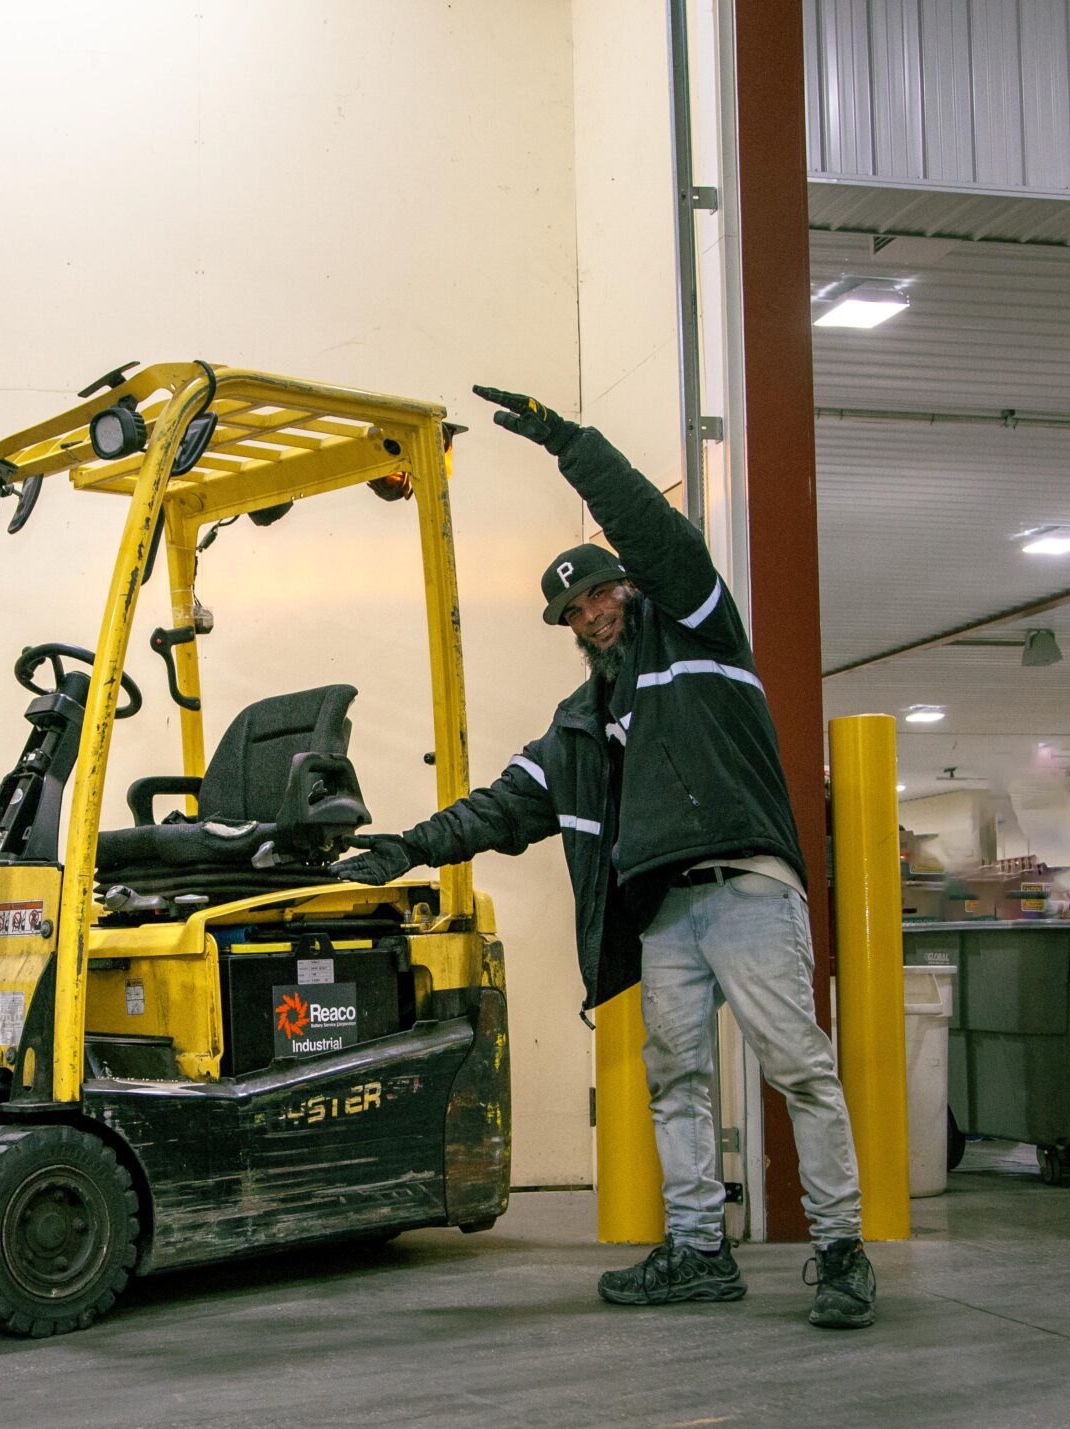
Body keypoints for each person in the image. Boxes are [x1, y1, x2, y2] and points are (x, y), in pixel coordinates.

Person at [331, 386, 875, 1330]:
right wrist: (404, 850)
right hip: (660, 912)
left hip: (747, 886)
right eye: (572, 614)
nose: (588, 617)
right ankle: (699, 1250)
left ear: (628, 587)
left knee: (799, 1069)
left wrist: (569, 444)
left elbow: (653, 527)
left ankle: (841, 1250)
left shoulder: (701, 629)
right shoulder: (583, 724)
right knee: (677, 1081)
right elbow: (506, 806)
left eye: (598, 595)